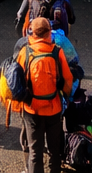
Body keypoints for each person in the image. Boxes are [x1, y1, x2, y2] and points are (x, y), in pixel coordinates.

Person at [16, 17, 73, 173]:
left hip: (31, 110)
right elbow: (68, 80)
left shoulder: (25, 52)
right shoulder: (57, 52)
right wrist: (65, 95)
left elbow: (18, 81)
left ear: (32, 33)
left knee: (35, 152)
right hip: (53, 109)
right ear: (49, 33)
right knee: (55, 151)